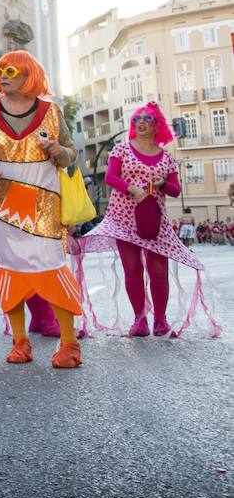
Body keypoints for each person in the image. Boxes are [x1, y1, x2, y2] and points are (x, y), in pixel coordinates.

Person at [0, 50, 84, 369]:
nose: (3, 76)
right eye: (0, 70)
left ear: (29, 75)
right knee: (12, 269)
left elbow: (72, 154)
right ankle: (20, 341)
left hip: (44, 207)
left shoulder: (52, 112)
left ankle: (69, 343)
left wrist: (58, 150)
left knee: (52, 268)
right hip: (1, 208)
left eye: (11, 71)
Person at [74, 102, 219, 338]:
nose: (140, 122)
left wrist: (163, 184)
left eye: (147, 119)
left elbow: (175, 191)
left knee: (158, 271)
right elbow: (110, 177)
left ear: (156, 125)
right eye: (136, 119)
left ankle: (160, 320)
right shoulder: (121, 150)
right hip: (123, 219)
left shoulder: (167, 157)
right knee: (132, 270)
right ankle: (139, 319)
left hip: (155, 221)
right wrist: (131, 188)